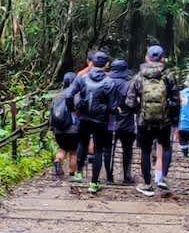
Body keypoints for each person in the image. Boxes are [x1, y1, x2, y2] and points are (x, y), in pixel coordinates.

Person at [130, 45, 181, 196]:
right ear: (163, 59)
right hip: (164, 121)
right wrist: (175, 121)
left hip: (144, 121)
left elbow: (129, 101)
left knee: (145, 151)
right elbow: (176, 100)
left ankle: (147, 184)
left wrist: (139, 110)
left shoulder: (139, 76)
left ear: (146, 58)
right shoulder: (169, 76)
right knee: (165, 147)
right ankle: (161, 178)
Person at [69, 56, 120, 191]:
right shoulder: (109, 82)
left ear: (91, 63)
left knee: (82, 144)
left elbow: (69, 95)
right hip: (101, 120)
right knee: (98, 150)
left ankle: (79, 173)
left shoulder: (82, 78)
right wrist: (112, 112)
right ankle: (94, 183)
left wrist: (73, 109)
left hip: (84, 118)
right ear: (106, 64)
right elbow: (113, 106)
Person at [107, 57, 138, 184]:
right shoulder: (129, 84)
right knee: (127, 150)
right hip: (127, 122)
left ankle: (109, 176)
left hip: (108, 121)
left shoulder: (105, 83)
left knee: (108, 149)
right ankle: (127, 176)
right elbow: (133, 104)